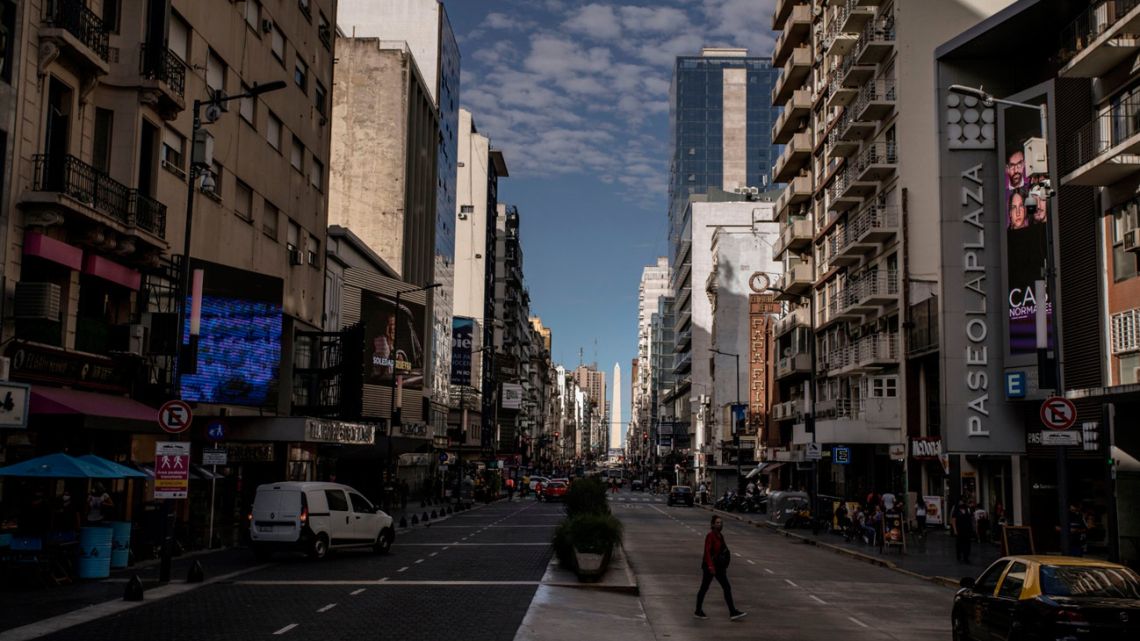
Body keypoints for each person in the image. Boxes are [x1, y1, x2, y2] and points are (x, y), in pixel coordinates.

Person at [694, 516, 746, 622]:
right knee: (704, 588)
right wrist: (710, 566)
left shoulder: (720, 536)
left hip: (719, 567)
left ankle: (733, 612)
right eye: (717, 523)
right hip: (710, 566)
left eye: (721, 523)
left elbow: (724, 550)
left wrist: (725, 563)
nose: (720, 524)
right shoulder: (710, 536)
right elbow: (707, 552)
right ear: (712, 524)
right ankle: (698, 611)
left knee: (727, 587)